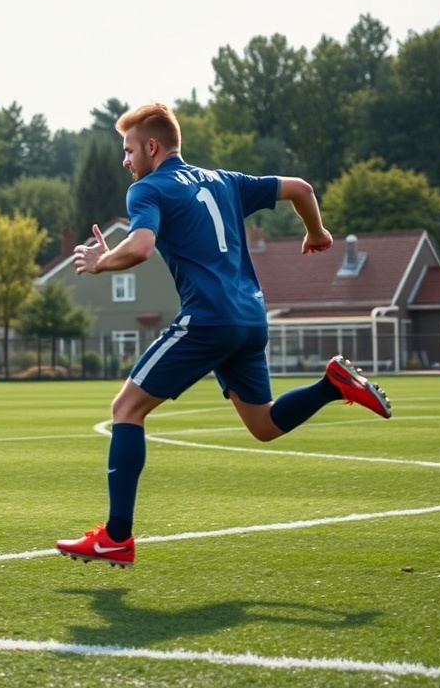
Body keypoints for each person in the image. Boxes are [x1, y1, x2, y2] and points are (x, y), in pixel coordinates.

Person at [55, 103, 391, 568]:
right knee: (264, 425)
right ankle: (330, 385)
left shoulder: (148, 189)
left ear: (152, 147)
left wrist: (101, 262)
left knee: (125, 409)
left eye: (129, 150)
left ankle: (116, 536)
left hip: (209, 320)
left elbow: (142, 245)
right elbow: (301, 188)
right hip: (251, 319)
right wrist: (318, 232)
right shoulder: (224, 180)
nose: (125, 161)